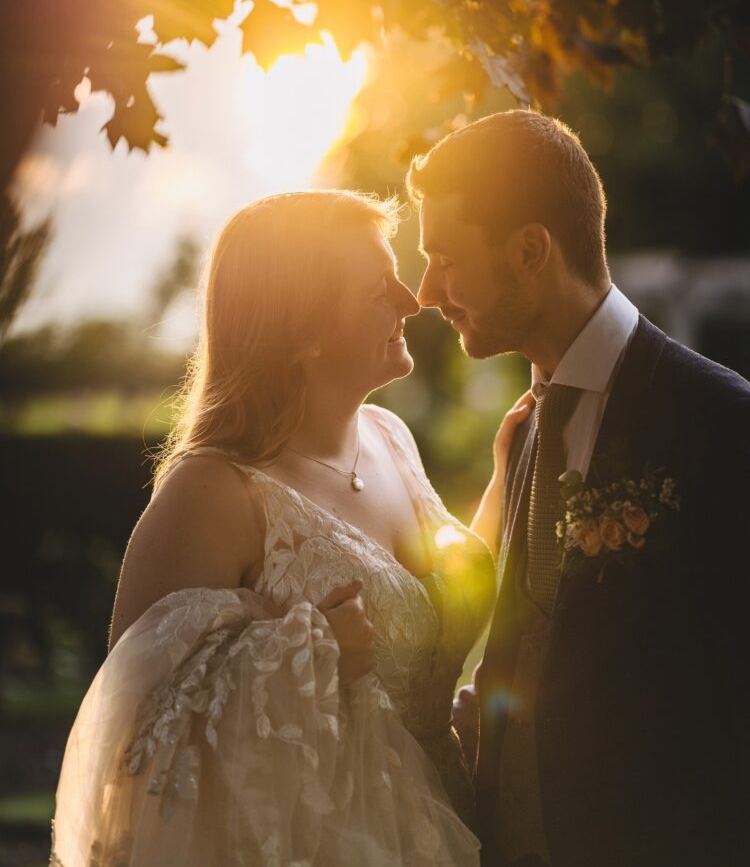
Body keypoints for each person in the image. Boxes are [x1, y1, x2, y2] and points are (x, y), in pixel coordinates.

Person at [50, 189, 505, 867]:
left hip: (456, 829)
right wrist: (311, 654)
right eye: (378, 287)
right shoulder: (212, 493)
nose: (411, 300)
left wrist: (510, 467)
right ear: (303, 329)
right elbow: (137, 741)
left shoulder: (391, 437)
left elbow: (438, 591)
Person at [407, 108, 750, 867]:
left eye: (446, 257)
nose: (428, 289)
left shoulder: (722, 421)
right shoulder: (527, 428)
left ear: (531, 249)